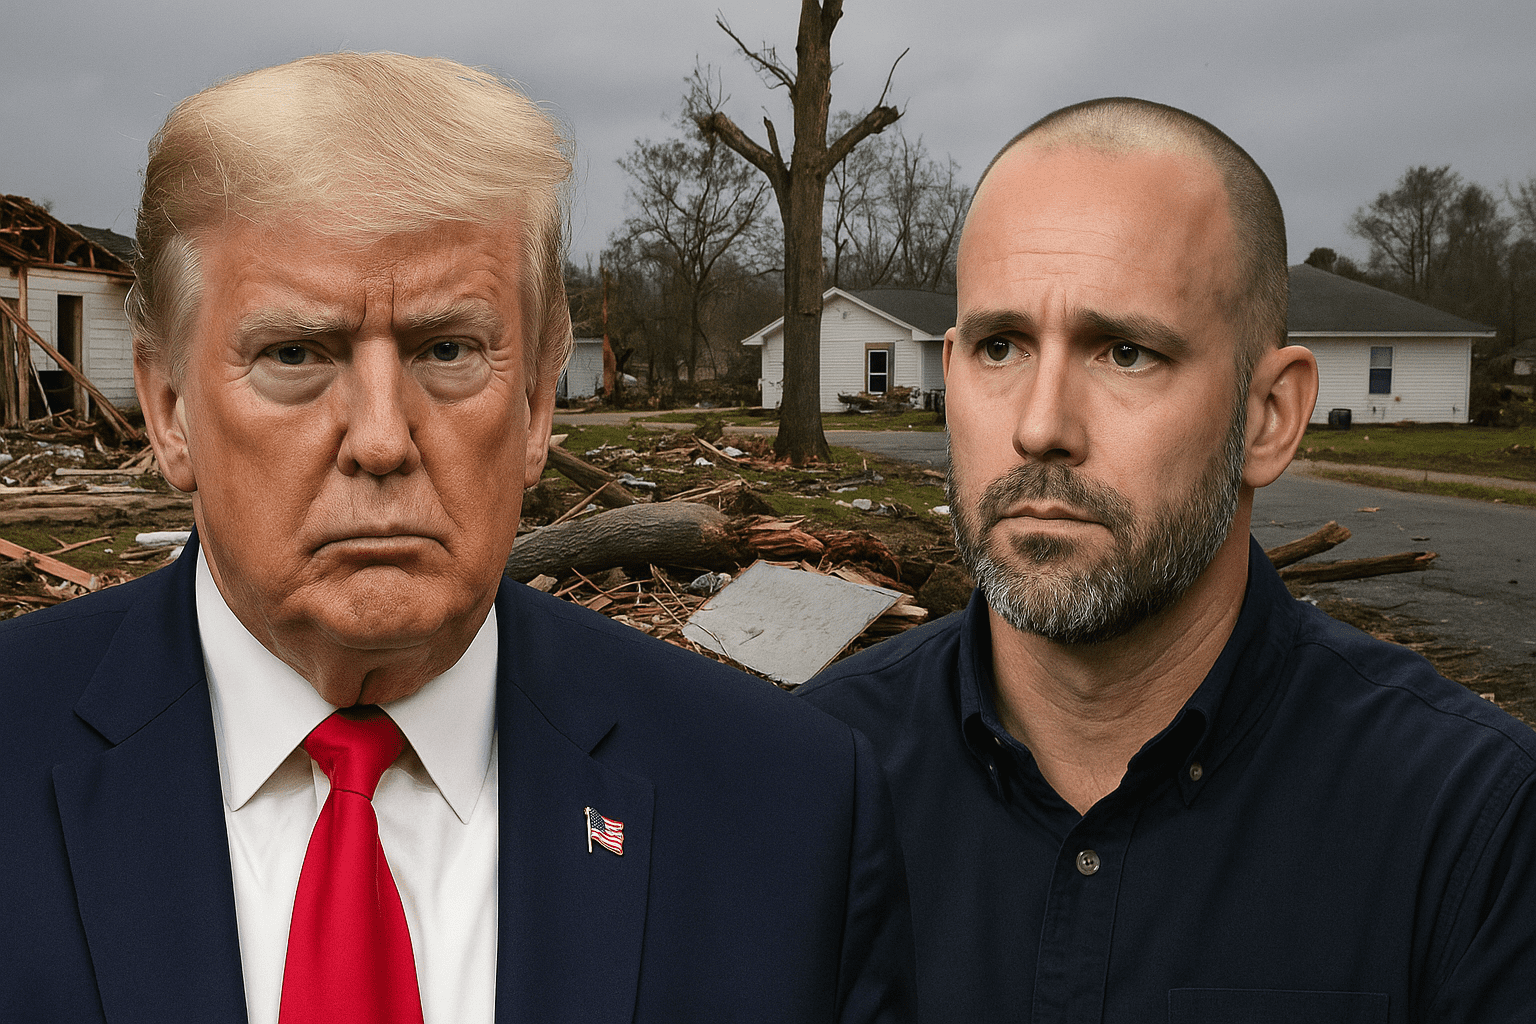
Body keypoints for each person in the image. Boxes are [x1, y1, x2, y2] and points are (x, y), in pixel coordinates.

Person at [0, 53, 911, 1024]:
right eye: (297, 353)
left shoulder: (784, 813)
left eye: (447, 349)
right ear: (167, 405)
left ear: (534, 408)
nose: (383, 439)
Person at [799, 97, 1536, 1023]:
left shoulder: (1473, 828)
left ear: (1270, 415)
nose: (1041, 427)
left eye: (1128, 353)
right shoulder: (812, 780)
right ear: (949, 378)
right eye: (1000, 347)